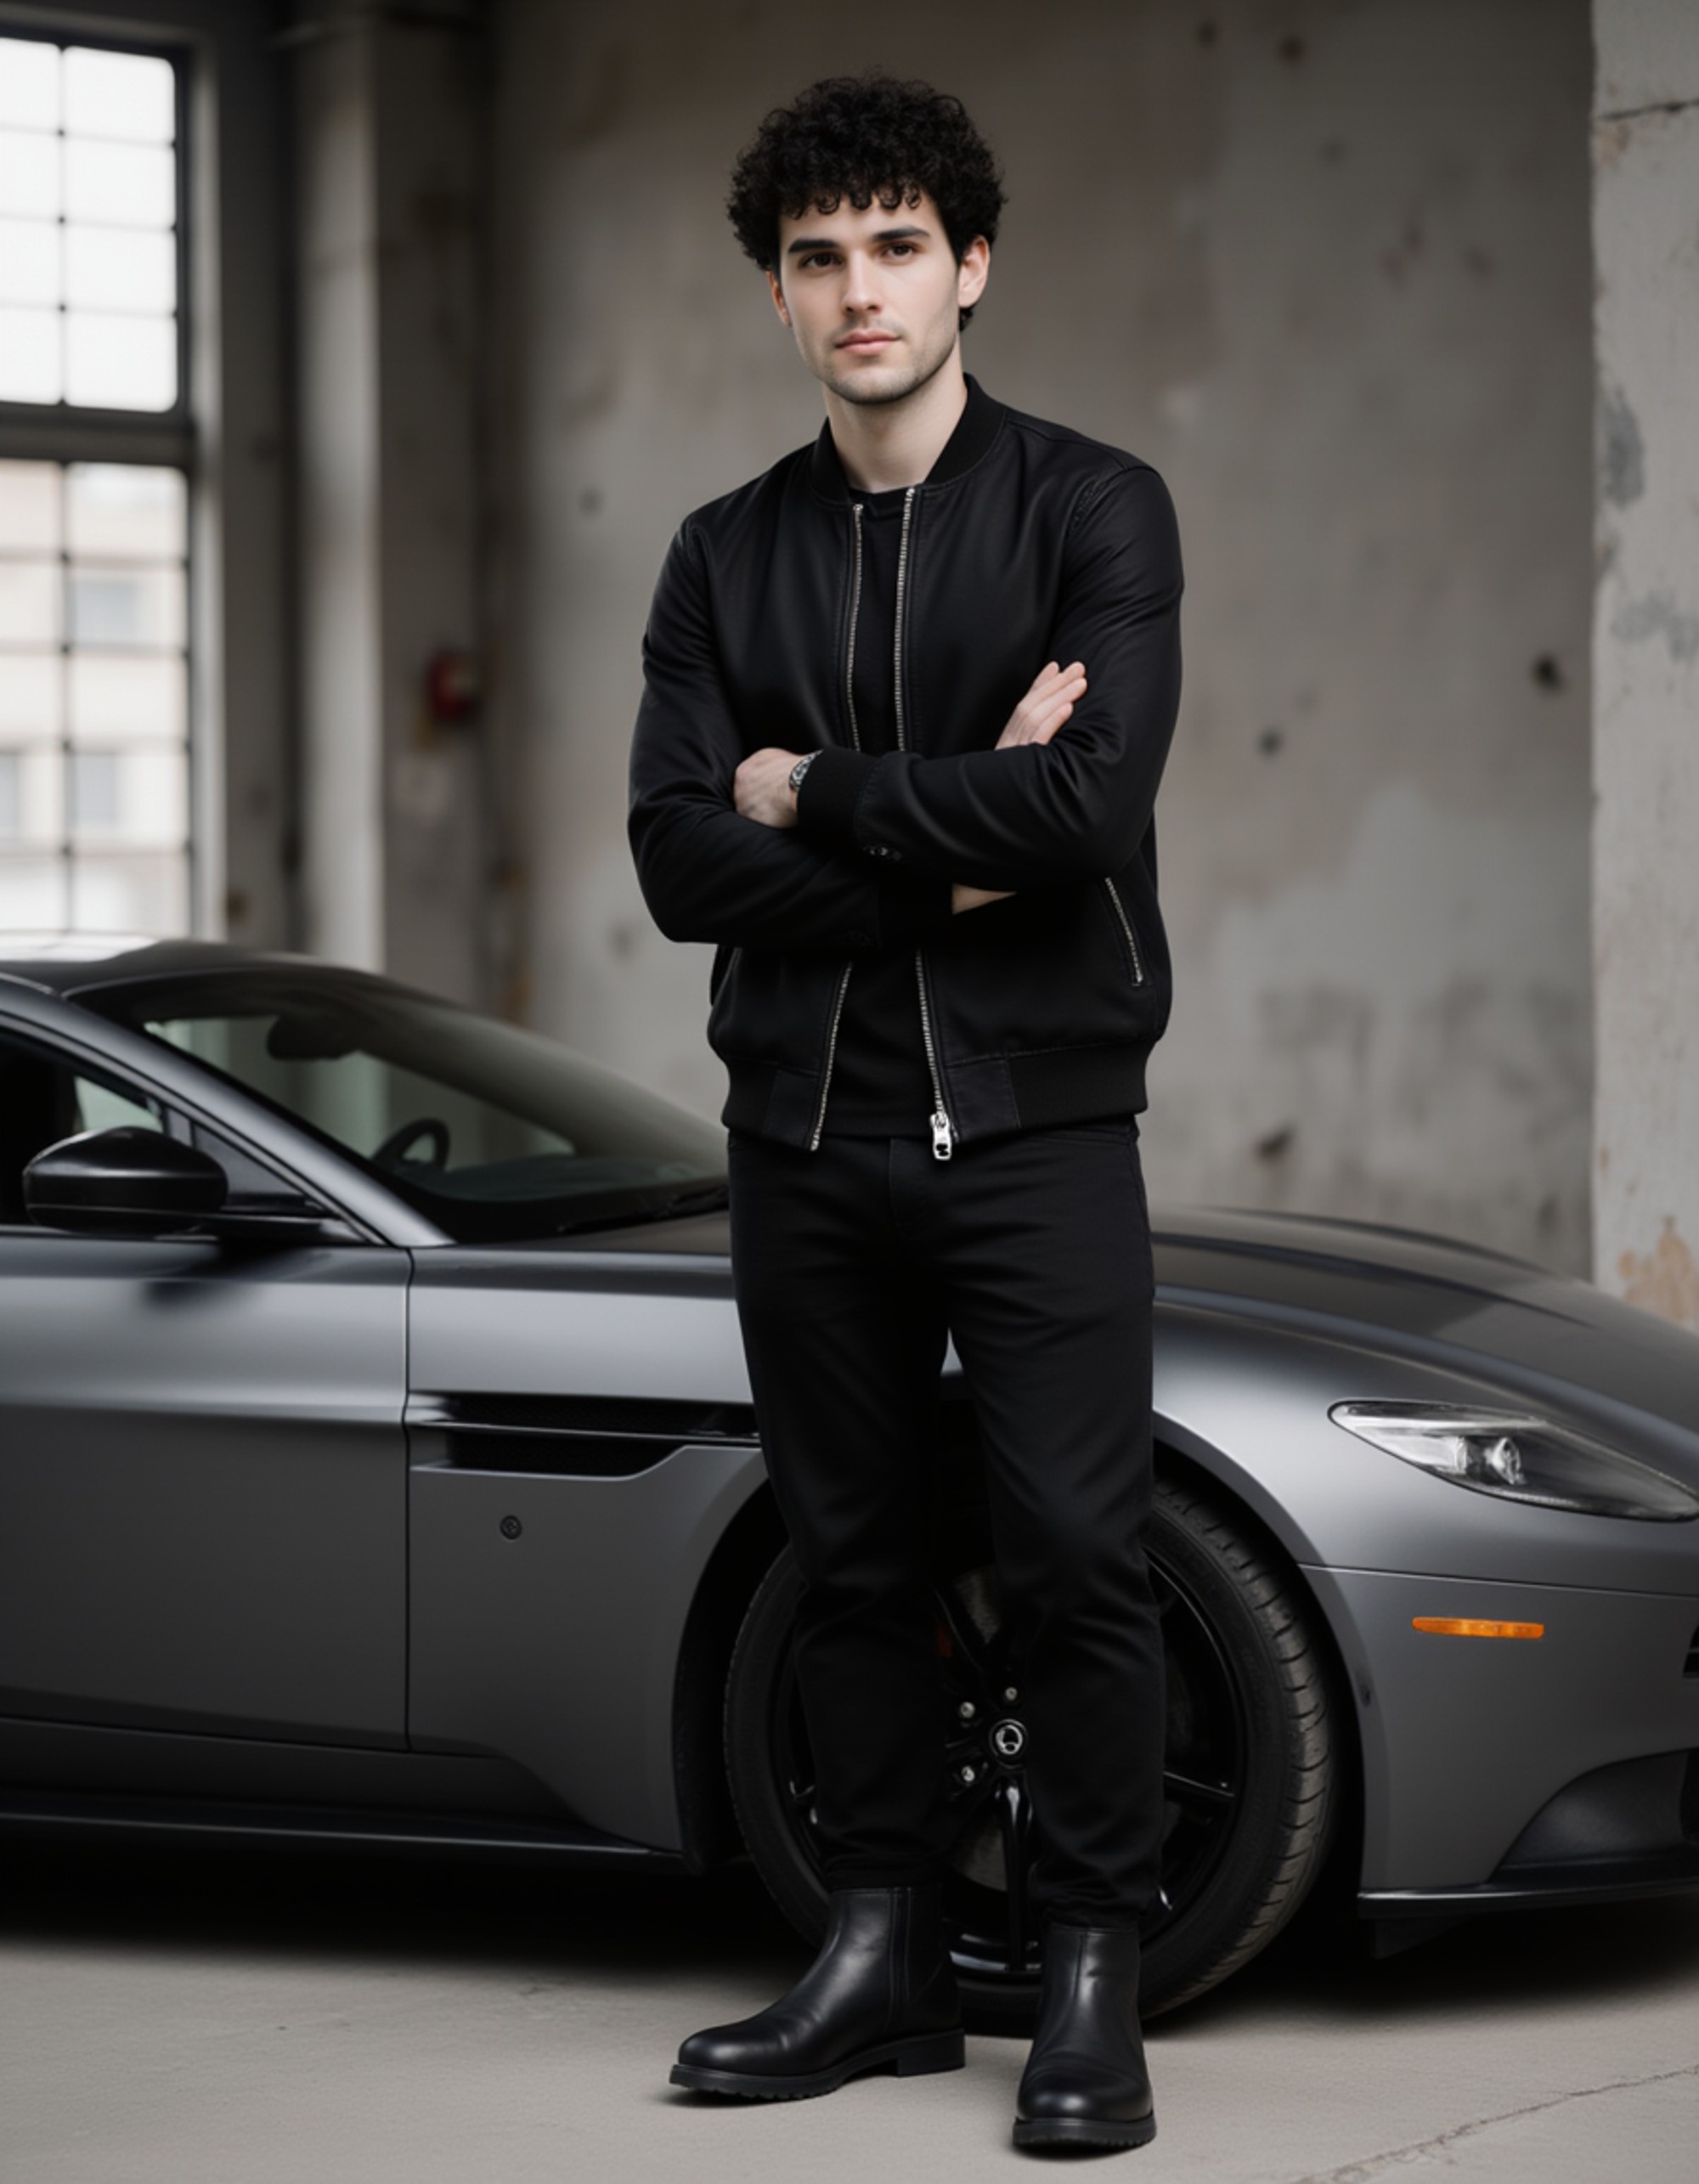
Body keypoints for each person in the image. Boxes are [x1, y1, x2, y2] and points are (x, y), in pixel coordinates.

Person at [626, 71, 1183, 2154]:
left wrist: (823, 790)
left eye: (892, 247)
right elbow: (682, 859)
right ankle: (872, 1950)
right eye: (814, 259)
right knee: (851, 1556)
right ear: (778, 299)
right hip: (803, 1135)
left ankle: (1088, 1970)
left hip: (1040, 1127)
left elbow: (1090, 807)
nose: (858, 290)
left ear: (970, 266)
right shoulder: (719, 556)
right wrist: (964, 832)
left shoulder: (1094, 509)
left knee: (1072, 1552)